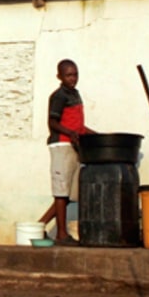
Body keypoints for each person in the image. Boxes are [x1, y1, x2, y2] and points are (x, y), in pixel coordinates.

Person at [37, 59, 94, 244]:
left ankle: (39, 225)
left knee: (69, 193)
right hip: (61, 145)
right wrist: (71, 133)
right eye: (69, 75)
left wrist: (97, 135)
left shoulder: (75, 94)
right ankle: (61, 234)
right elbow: (52, 123)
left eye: (75, 74)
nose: (73, 78)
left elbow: (78, 126)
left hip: (73, 145)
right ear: (59, 76)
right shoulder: (59, 96)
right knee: (61, 191)